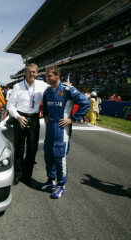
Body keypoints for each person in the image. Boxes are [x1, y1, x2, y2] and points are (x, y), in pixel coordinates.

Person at [40, 66, 90, 199]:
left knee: (59, 155)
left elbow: (85, 103)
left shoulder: (68, 89)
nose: (47, 78)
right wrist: (45, 114)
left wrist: (72, 119)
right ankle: (51, 181)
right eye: (46, 76)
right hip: (50, 126)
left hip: (61, 128)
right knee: (48, 154)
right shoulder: (47, 91)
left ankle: (61, 185)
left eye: (49, 76)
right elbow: (44, 104)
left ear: (57, 76)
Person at [6, 63, 49, 185]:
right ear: (25, 73)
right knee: (19, 148)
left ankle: (27, 176)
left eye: (34, 72)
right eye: (29, 72)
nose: (32, 74)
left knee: (32, 149)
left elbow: (54, 88)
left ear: (37, 73)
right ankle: (17, 174)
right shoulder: (17, 86)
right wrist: (18, 117)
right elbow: (10, 105)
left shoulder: (42, 85)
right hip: (20, 117)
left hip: (34, 119)